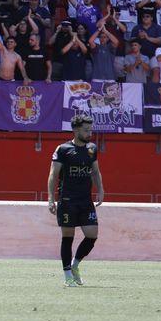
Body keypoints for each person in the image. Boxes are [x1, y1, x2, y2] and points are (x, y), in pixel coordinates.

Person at [47, 113, 103, 287]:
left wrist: (100, 189)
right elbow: (53, 174)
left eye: (91, 130)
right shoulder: (63, 149)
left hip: (85, 201)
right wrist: (50, 198)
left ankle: (75, 265)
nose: (90, 133)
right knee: (68, 237)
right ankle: (67, 276)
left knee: (92, 235)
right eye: (86, 130)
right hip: (67, 200)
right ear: (76, 130)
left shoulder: (92, 148)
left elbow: (95, 171)